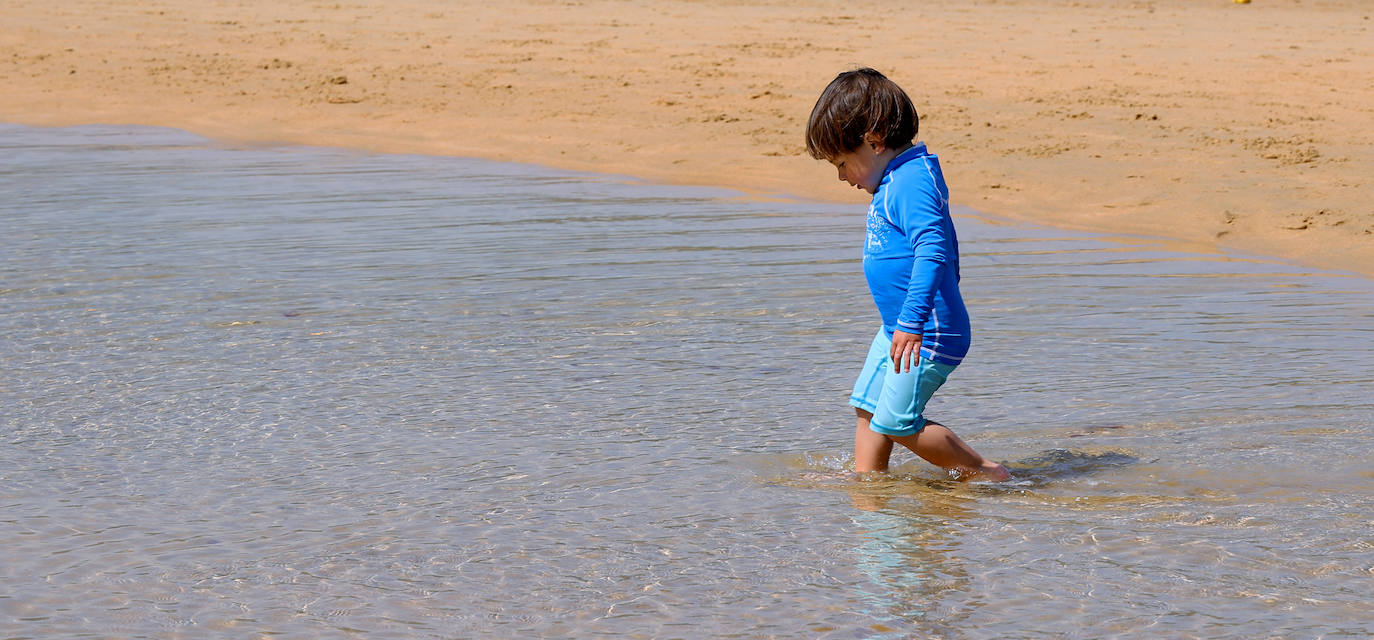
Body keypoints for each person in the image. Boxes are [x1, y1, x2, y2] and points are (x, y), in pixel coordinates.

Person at [805, 67, 1009, 481]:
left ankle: (987, 473)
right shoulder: (894, 179)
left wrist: (913, 321)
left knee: (896, 422)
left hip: (925, 331)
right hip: (897, 329)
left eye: (843, 163)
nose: (842, 177)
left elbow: (933, 250)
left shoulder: (912, 181)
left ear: (875, 140)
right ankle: (869, 486)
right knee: (867, 406)